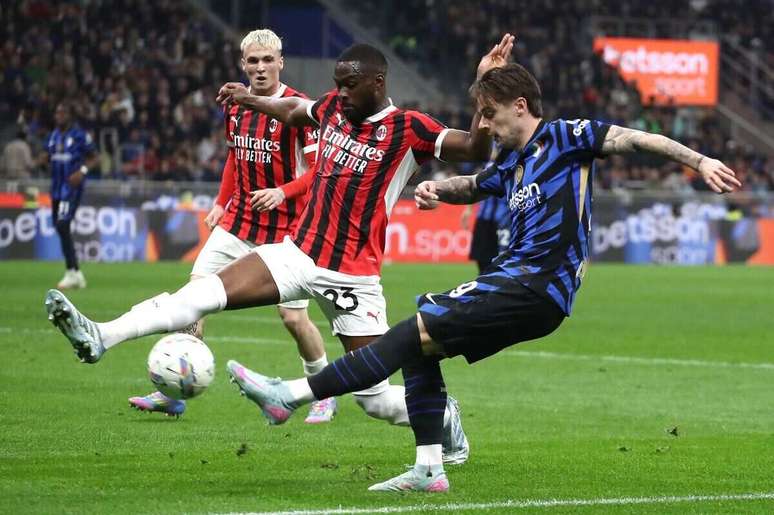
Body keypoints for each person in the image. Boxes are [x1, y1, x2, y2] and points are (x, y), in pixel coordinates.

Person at [211, 62, 739, 492]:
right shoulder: (513, 162)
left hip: (537, 284)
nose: (484, 126)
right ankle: (428, 468)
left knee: (409, 330)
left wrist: (699, 160)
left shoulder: (566, 137)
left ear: (521, 107)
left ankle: (293, 395)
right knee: (420, 346)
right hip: (518, 283)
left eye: (490, 115)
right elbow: (478, 183)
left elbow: (636, 139)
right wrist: (438, 190)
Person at [45, 35, 517, 463]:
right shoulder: (333, 107)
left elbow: (475, 149)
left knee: (373, 399)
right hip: (297, 253)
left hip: (353, 275)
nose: (342, 94)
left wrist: (486, 81)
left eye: (350, 86)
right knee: (201, 293)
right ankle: (100, 336)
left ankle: (443, 416)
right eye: (338, 85)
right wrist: (250, 98)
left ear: (378, 82)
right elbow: (295, 112)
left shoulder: (408, 127)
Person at [127, 29, 337, 424]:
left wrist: (283, 191)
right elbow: (234, 157)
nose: (260, 67)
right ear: (243, 64)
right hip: (238, 222)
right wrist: (222, 202)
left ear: (280, 62)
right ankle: (173, 391)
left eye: (267, 60)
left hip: (287, 230)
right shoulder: (235, 103)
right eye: (252, 61)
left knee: (293, 319)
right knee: (192, 301)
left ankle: (323, 390)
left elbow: (318, 169)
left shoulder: (299, 108)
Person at [45, 102, 99, 289]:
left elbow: (95, 157)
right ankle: (76, 273)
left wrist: (82, 171)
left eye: (62, 112)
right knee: (60, 227)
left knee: (62, 223)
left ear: (69, 115)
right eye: (57, 112)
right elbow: (49, 157)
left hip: (70, 189)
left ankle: (71, 271)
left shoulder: (79, 135)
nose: (58, 115)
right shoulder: (52, 136)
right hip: (56, 188)